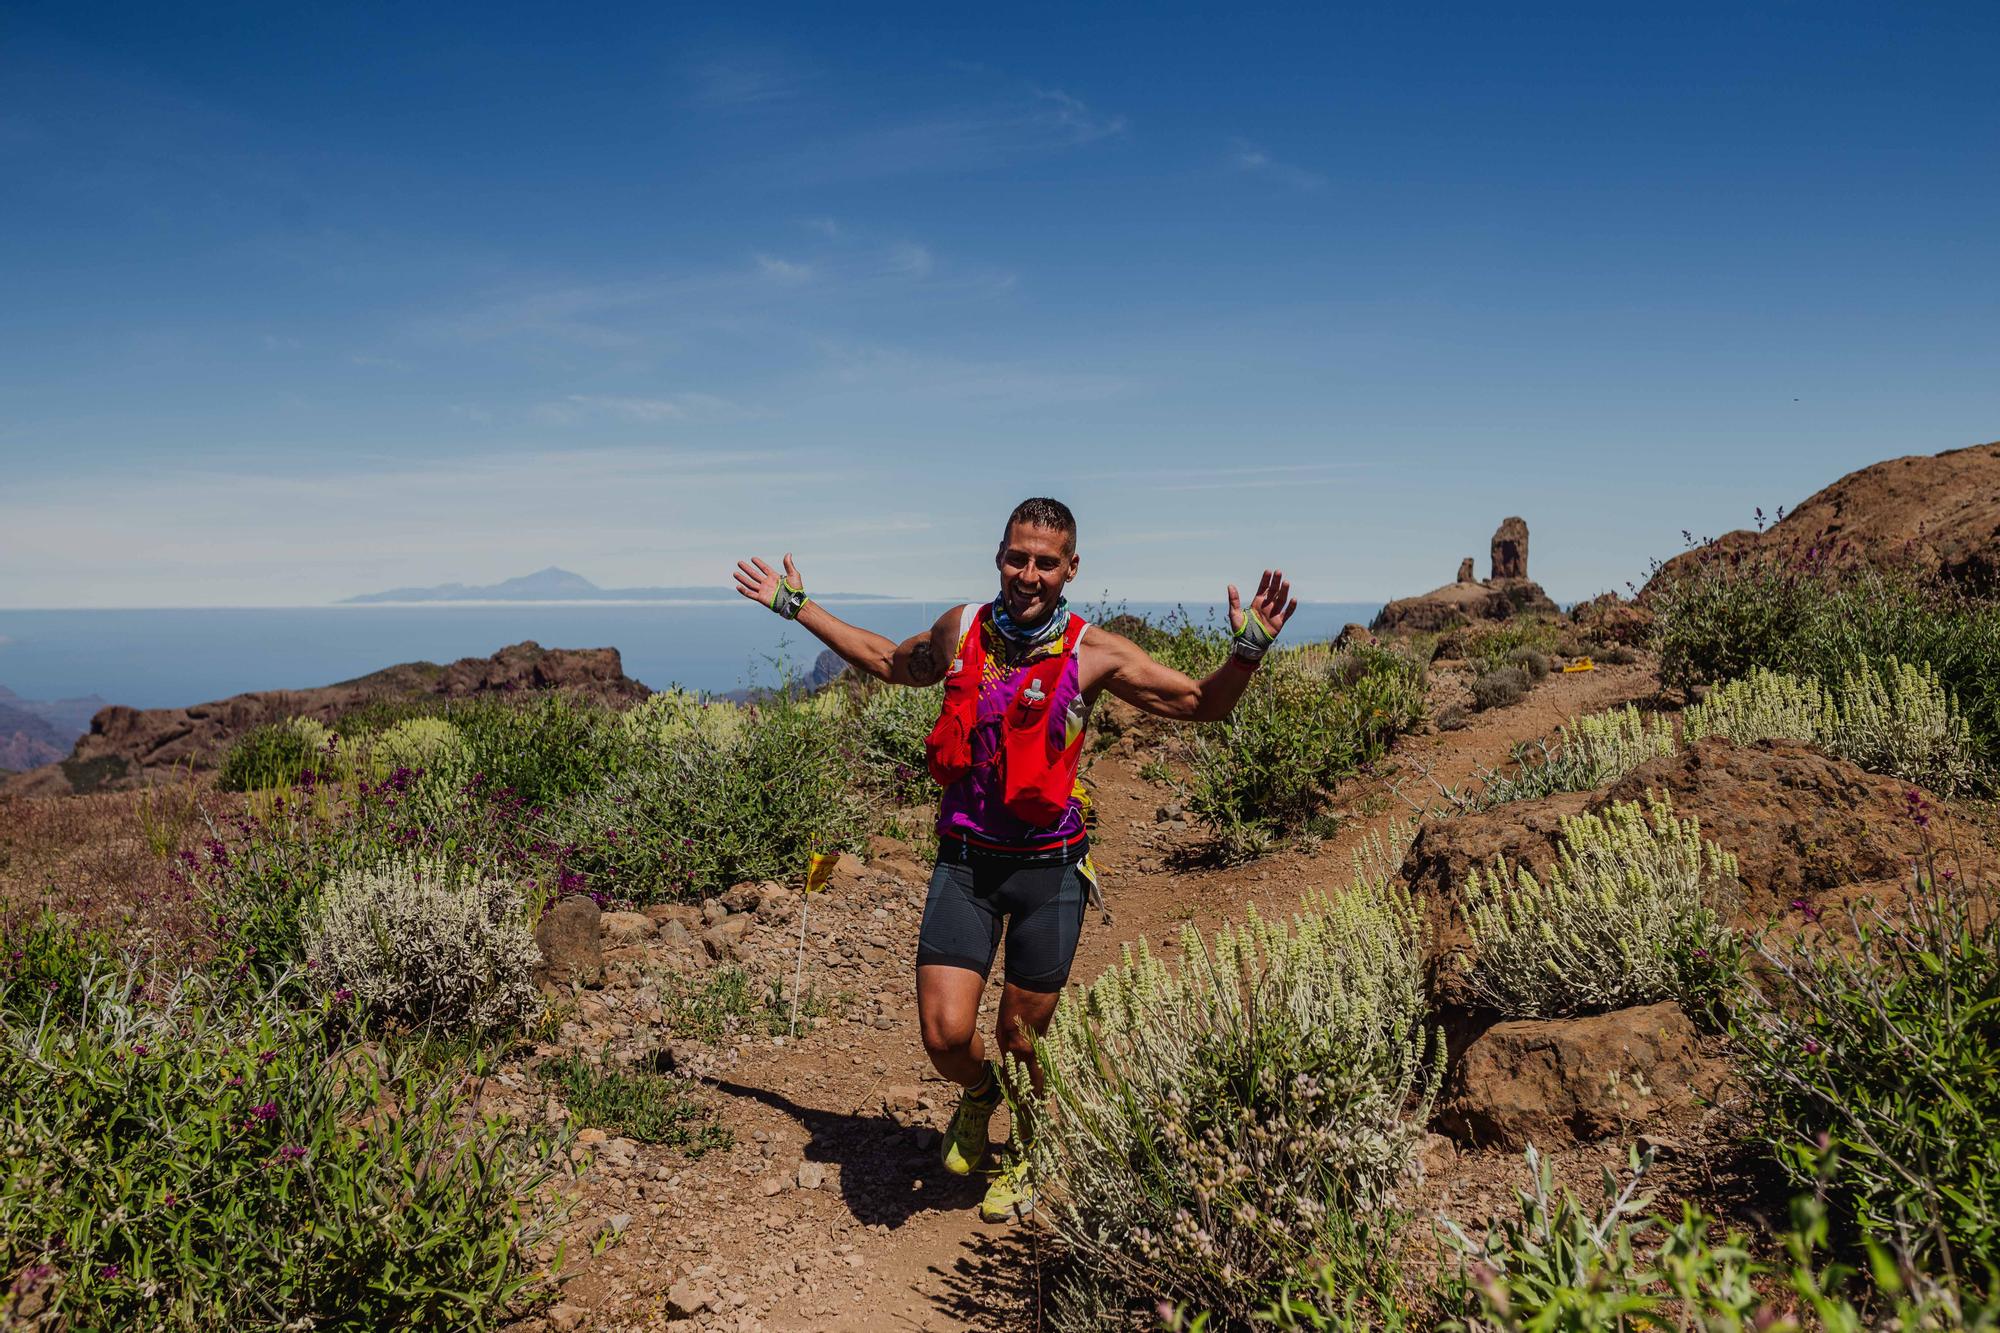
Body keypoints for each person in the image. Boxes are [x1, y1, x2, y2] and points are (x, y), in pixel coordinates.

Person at [733, 497, 1296, 1222]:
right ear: (1000, 554)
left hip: (1048, 870)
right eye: (1016, 557)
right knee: (944, 1035)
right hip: (966, 860)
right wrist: (798, 606)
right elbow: (886, 660)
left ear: (1071, 568)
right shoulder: (963, 628)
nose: (1028, 573)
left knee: (1020, 1039)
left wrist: (1246, 651)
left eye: (1045, 562)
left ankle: (1032, 1143)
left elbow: (1197, 703)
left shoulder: (1096, 653)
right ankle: (978, 1092)